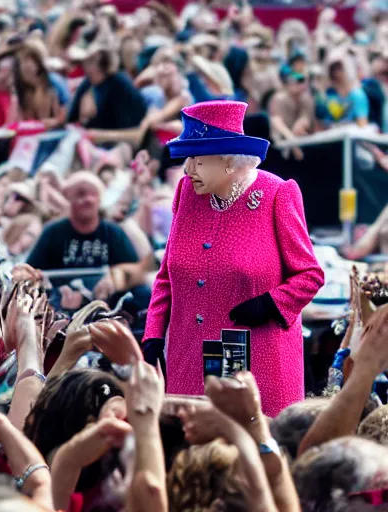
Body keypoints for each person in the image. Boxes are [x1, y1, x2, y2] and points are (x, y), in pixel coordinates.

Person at [144, 100, 324, 416]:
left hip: (260, 367)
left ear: (228, 161)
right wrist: (153, 336)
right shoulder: (187, 193)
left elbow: (309, 275)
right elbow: (166, 274)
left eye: (197, 160)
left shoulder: (277, 194)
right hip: (189, 363)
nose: (187, 169)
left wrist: (270, 303)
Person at [26, 171, 140, 311]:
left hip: (105, 303)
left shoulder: (113, 232)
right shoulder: (52, 232)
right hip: (59, 303)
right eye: (81, 194)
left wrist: (115, 279)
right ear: (69, 198)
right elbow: (30, 271)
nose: (88, 200)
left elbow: (135, 270)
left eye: (93, 194)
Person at [67, 21, 148, 147]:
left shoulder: (121, 85)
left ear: (99, 58)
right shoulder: (87, 84)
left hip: (121, 148)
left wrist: (99, 135)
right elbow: (72, 119)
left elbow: (136, 134)